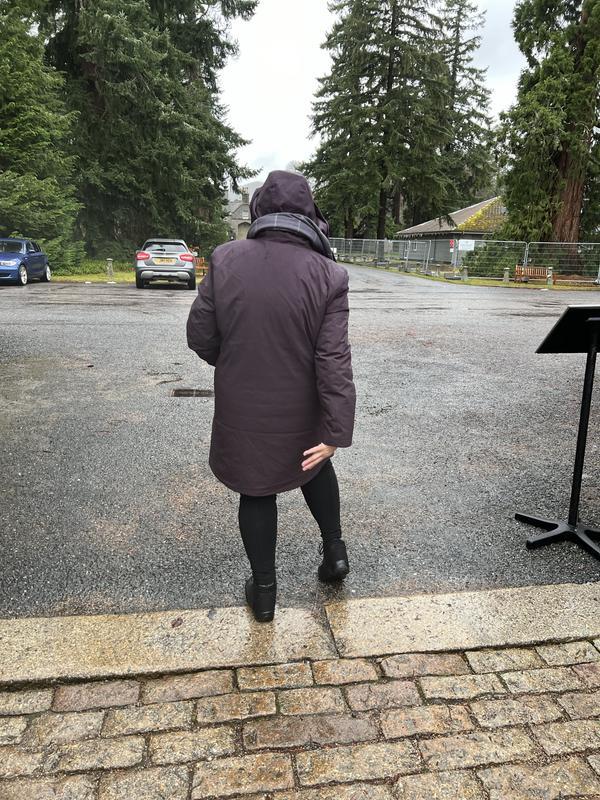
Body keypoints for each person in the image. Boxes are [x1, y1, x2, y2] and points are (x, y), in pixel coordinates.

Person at [186, 170, 356, 622]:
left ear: (261, 209)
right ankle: (335, 553)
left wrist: (236, 360)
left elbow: (200, 335)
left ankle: (264, 593)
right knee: (316, 463)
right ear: (308, 214)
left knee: (256, 489)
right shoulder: (329, 275)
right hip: (303, 405)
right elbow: (333, 359)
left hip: (244, 406)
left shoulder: (226, 259)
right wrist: (337, 431)